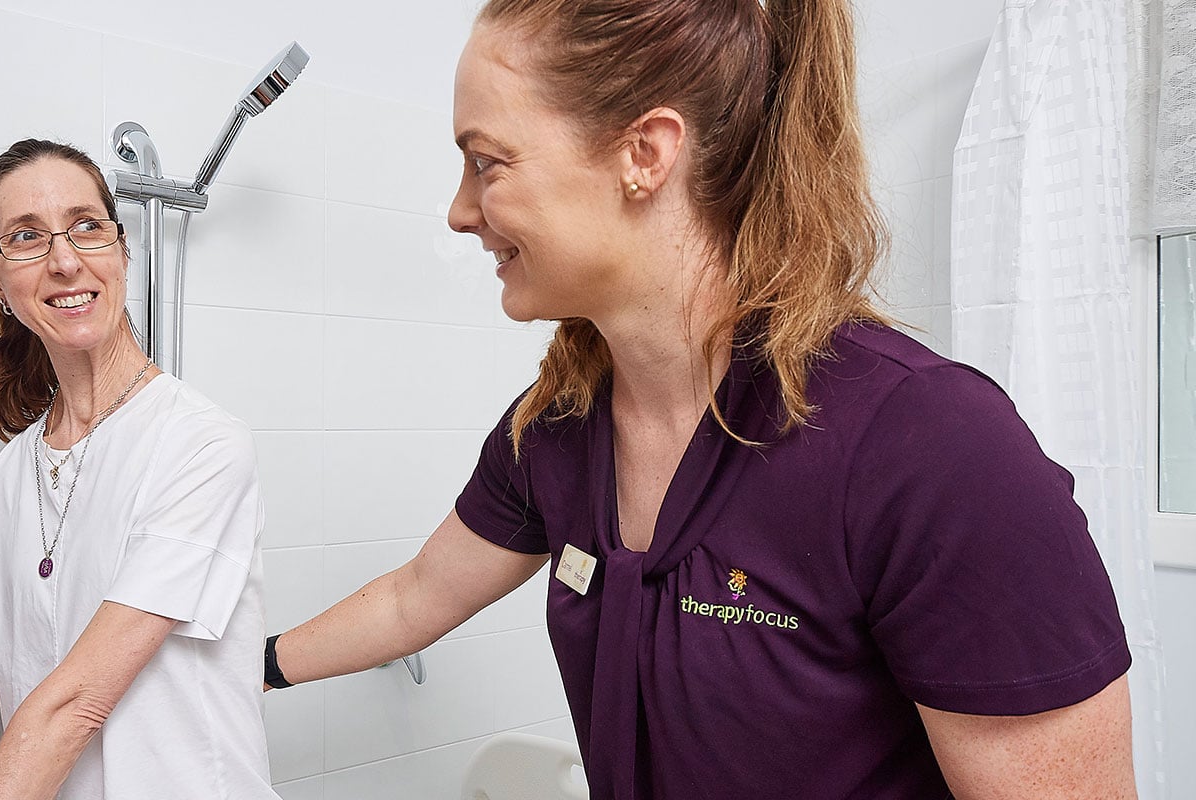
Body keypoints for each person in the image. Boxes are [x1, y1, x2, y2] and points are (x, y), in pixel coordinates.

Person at [263, 2, 1136, 798]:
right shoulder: (558, 427)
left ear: (645, 154)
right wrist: (245, 668)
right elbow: (415, 596)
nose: (460, 211)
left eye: (486, 162)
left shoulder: (931, 447)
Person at [0, 139, 275, 800]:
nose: (64, 260)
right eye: (26, 238)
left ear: (121, 248)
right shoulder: (2, 485)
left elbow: (76, 705)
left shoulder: (199, 445)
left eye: (87, 227)